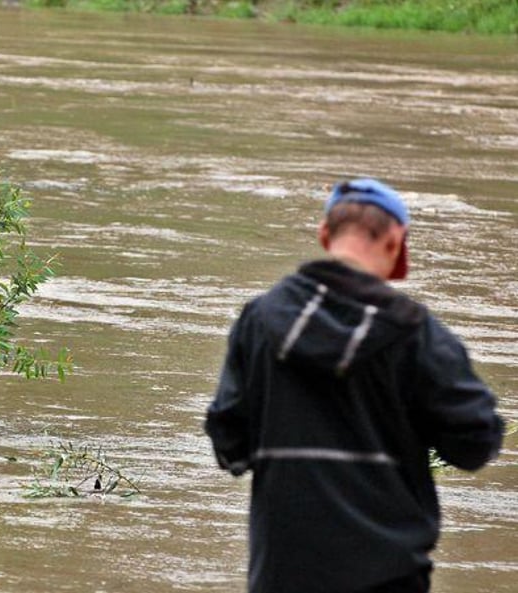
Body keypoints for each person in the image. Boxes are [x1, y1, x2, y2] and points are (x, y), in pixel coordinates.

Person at [204, 178, 503, 593]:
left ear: (325, 234)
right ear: (397, 241)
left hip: (282, 571)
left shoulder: (259, 320)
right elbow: (475, 441)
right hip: (390, 575)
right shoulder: (418, 334)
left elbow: (228, 441)